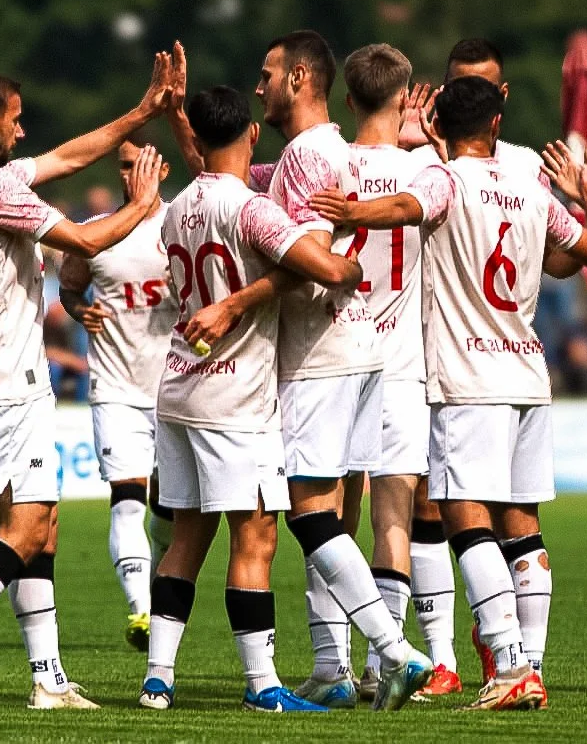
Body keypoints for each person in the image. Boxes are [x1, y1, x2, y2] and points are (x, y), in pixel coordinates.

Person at [311, 75, 587, 710]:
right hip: (528, 371)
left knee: (463, 517)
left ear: (439, 129)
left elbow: (402, 210)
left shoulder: (442, 180)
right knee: (523, 526)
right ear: (497, 126)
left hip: (465, 377)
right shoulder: (532, 188)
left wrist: (350, 211)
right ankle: (529, 666)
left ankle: (508, 665)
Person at [0, 51, 177, 712]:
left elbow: (68, 157)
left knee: (41, 526)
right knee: (25, 526)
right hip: (8, 382)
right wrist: (142, 204)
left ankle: (48, 679)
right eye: (15, 121)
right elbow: (82, 238)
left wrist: (143, 109)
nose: (23, 133)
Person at [140, 85, 371, 713]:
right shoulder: (251, 210)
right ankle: (264, 684)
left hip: (179, 389)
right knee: (256, 537)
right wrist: (350, 265)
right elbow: (321, 269)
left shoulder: (175, 208)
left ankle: (158, 678)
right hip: (235, 397)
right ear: (250, 135)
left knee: (187, 537)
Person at [248, 30, 431, 709]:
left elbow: (312, 258)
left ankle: (394, 651)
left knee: (310, 514)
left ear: (301, 77)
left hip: (321, 353)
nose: (258, 85)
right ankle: (333, 668)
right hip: (365, 351)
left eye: (266, 73)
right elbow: (234, 180)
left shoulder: (306, 153)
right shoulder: (340, 151)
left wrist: (239, 301)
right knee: (331, 516)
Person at [334, 43, 462, 699]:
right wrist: (424, 143)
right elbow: (435, 198)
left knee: (331, 515)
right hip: (401, 364)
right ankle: (391, 662)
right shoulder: (429, 173)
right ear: (405, 96)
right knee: (394, 518)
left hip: (333, 360)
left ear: (349, 99)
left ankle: (339, 665)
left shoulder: (324, 163)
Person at [59, 140, 177, 651]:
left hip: (177, 389)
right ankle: (142, 612)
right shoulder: (95, 233)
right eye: (126, 165)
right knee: (127, 500)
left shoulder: (182, 225)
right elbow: (70, 286)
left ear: (164, 169)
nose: (134, 174)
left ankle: (154, 588)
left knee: (169, 511)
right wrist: (76, 309)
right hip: (116, 387)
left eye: (144, 163)